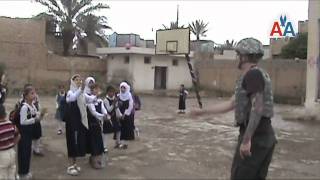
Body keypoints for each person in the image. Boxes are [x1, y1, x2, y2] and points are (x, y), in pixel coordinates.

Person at [190, 38, 277, 180]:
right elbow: (231, 104)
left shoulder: (253, 74)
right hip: (264, 136)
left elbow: (258, 107)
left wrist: (247, 140)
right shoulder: (258, 74)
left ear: (243, 56)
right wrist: (202, 112)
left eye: (239, 55)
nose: (237, 58)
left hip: (255, 136)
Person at [64, 74, 89, 176]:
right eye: (77, 80)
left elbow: (88, 99)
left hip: (78, 122)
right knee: (72, 142)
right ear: (73, 82)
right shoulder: (70, 93)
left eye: (80, 80)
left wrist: (95, 97)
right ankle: (70, 165)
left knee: (76, 143)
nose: (79, 81)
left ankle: (74, 164)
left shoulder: (81, 93)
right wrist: (80, 89)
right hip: (71, 122)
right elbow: (73, 98)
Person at [17, 86, 41, 179]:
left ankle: (26, 171)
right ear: (26, 96)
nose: (34, 95)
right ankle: (22, 173)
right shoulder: (24, 107)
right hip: (24, 134)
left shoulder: (33, 105)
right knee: (23, 153)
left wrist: (40, 115)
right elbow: (23, 121)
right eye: (32, 93)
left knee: (28, 152)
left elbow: (35, 114)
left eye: (34, 93)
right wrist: (34, 120)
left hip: (29, 133)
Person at [87, 83, 107, 169]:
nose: (96, 91)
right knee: (93, 142)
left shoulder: (100, 101)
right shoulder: (89, 101)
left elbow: (103, 109)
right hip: (92, 125)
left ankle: (94, 159)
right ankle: (94, 161)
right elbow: (93, 112)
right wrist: (102, 117)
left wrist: (106, 115)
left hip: (98, 125)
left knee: (99, 142)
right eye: (94, 89)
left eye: (97, 89)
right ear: (91, 91)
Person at [0, 105, 20, 180]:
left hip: (2, 154)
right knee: (12, 172)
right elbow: (18, 135)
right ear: (5, 114)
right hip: (11, 152)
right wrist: (13, 144)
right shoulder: (10, 124)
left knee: (2, 174)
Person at [103, 85, 124, 150]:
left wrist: (120, 115)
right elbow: (109, 109)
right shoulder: (105, 100)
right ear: (107, 92)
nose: (112, 93)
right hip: (108, 118)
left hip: (114, 117)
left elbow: (116, 108)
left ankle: (118, 143)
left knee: (118, 129)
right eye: (110, 92)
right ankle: (104, 146)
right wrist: (113, 104)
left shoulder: (114, 99)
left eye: (113, 92)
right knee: (106, 132)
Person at [117, 82, 135, 147]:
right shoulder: (118, 96)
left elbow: (130, 106)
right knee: (120, 129)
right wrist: (119, 114)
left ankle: (125, 143)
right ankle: (119, 142)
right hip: (119, 115)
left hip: (127, 115)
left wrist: (125, 114)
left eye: (124, 88)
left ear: (126, 88)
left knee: (126, 129)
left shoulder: (129, 96)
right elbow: (116, 106)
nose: (122, 89)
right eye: (121, 88)